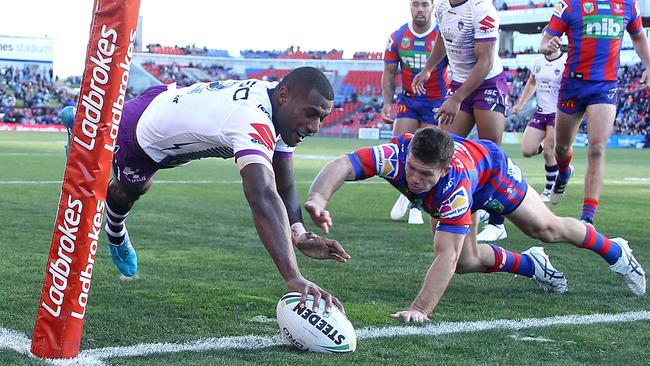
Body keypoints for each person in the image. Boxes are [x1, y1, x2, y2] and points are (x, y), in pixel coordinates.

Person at [63, 67, 350, 311]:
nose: (315, 126)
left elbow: (283, 181)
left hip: (167, 105)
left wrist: (298, 233)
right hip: (138, 134)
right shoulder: (253, 117)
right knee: (129, 189)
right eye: (311, 114)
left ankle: (86, 127)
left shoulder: (279, 106)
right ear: (284, 96)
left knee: (137, 185)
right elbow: (262, 193)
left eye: (322, 118)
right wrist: (292, 276)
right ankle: (86, 136)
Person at [304, 127, 646, 322]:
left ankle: (614, 249)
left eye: (427, 174)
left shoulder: (453, 188)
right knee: (468, 263)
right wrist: (319, 200)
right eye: (412, 169)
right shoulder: (395, 155)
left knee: (545, 228)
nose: (416, 179)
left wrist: (420, 309)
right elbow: (343, 164)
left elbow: (445, 257)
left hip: (491, 174)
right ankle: (532, 264)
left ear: (443, 169)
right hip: (466, 179)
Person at [540, 0, 650, 224]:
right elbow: (545, 40)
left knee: (597, 147)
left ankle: (587, 218)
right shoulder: (569, 5)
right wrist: (547, 47)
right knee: (560, 148)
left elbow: (638, 37)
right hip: (572, 86)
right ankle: (563, 172)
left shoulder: (628, 5)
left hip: (605, 87)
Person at [411, 0, 510, 241]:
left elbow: (485, 61)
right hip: (458, 85)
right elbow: (443, 39)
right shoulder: (443, 6)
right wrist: (428, 69)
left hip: (488, 83)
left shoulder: (483, 9)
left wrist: (456, 98)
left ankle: (497, 222)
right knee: (442, 150)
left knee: (491, 153)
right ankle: (447, 210)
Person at [381, 0, 449, 225]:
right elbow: (389, 74)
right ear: (410, 7)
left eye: (424, 4)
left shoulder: (443, 35)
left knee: (429, 153)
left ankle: (417, 207)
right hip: (409, 101)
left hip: (436, 101)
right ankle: (405, 193)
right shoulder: (397, 37)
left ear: (432, 7)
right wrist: (387, 102)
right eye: (415, 4)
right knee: (400, 147)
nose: (420, 9)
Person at [511, 39, 566, 202]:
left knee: (550, 151)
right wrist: (521, 103)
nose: (545, 44)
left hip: (558, 113)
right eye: (544, 40)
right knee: (527, 150)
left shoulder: (566, 61)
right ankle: (555, 157)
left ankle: (549, 190)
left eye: (549, 41)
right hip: (541, 113)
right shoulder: (537, 62)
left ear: (558, 42)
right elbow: (532, 81)